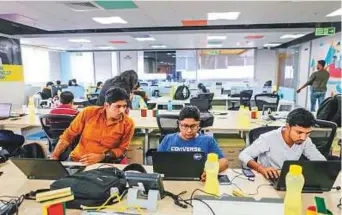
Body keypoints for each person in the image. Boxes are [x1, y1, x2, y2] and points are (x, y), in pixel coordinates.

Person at [51, 87, 135, 165]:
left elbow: (122, 149)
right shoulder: (89, 113)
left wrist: (102, 156)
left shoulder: (128, 124)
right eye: (117, 106)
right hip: (78, 160)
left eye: (124, 106)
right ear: (106, 105)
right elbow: (68, 136)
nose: (122, 111)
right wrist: (55, 156)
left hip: (103, 163)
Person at [239, 108, 326, 179]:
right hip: (267, 179)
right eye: (299, 132)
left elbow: (321, 161)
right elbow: (243, 155)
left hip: (290, 178)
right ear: (288, 127)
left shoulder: (306, 140)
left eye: (307, 133)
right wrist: (261, 168)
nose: (303, 137)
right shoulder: (268, 138)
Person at [158, 106, 229, 181]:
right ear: (179, 124)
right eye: (185, 126)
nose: (189, 131)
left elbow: (224, 162)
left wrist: (210, 172)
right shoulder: (168, 139)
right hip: (173, 181)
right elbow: (158, 162)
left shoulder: (208, 140)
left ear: (199, 125)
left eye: (193, 126)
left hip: (199, 181)